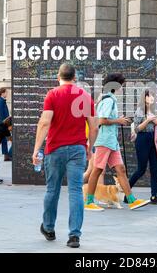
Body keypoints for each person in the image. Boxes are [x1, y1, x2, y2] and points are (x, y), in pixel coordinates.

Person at [32, 63, 98, 249]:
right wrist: (90, 147)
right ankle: (74, 235)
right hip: (77, 148)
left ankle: (49, 227)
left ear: (58, 77)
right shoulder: (84, 96)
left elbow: (45, 123)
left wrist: (36, 148)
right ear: (75, 77)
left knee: (52, 190)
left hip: (55, 149)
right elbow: (93, 126)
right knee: (76, 190)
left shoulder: (53, 94)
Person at [84, 73, 150, 211]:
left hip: (111, 142)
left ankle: (132, 200)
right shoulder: (108, 100)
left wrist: (116, 119)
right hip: (104, 140)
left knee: (121, 169)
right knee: (97, 170)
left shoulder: (109, 99)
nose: (122, 88)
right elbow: (101, 120)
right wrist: (118, 121)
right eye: (121, 85)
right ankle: (89, 201)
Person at [128, 89, 157, 205]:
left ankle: (154, 196)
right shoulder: (140, 110)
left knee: (154, 168)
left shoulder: (154, 110)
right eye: (149, 96)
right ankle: (126, 192)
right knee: (141, 169)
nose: (152, 98)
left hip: (153, 140)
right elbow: (137, 128)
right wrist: (149, 120)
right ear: (144, 98)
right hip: (142, 139)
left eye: (153, 96)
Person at [0, 87, 11, 161]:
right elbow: (1, 114)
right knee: (2, 139)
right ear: (2, 93)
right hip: (3, 123)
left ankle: (6, 155)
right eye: (6, 92)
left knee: (3, 139)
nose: (7, 94)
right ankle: (4, 155)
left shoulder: (1, 100)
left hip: (4, 122)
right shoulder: (0, 101)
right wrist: (4, 123)